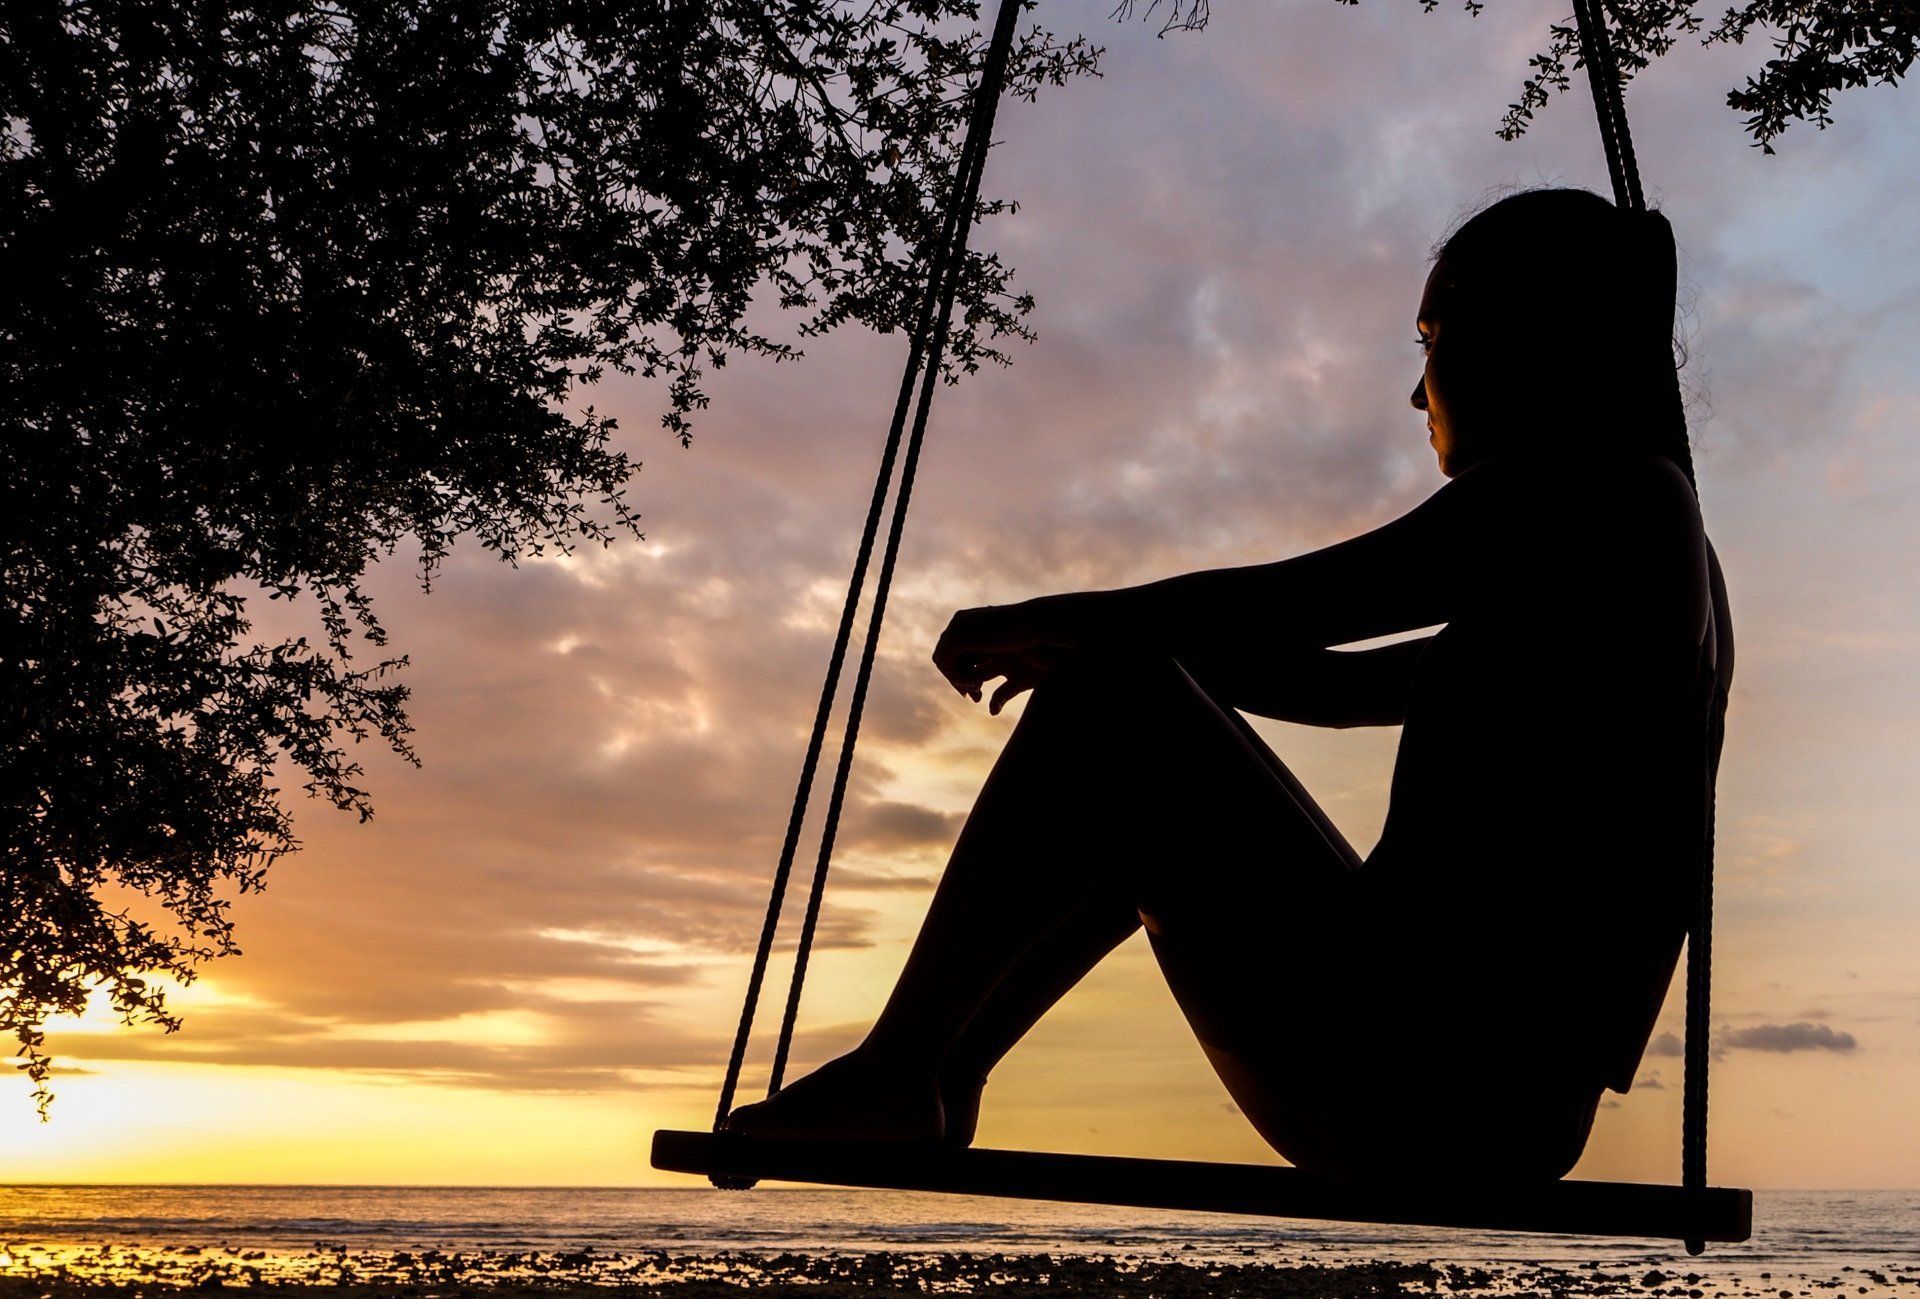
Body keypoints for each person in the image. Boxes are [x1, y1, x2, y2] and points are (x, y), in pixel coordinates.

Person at [725, 187, 1734, 1186]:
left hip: (1425, 1083)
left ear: (1521, 333)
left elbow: (1305, 602)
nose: (1416, 392)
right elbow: (1335, 686)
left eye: (1430, 336)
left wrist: (1064, 627)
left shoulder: (1600, 496)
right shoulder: (1645, 547)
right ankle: (937, 1077)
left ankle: (904, 1070)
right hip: (1484, 1101)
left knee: (1114, 700)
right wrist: (1118, 650)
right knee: (1126, 709)